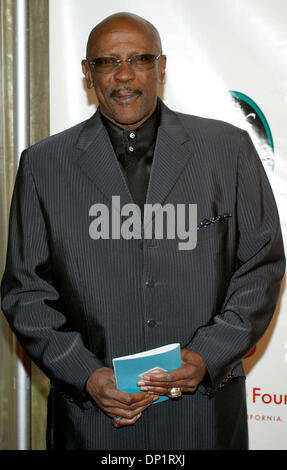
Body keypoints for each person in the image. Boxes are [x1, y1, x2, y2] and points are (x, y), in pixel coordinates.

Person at [1, 12, 285, 451]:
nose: (124, 74)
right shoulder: (44, 166)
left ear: (162, 66)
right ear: (86, 72)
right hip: (92, 421)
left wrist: (208, 354)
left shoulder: (227, 150)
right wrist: (85, 373)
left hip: (203, 416)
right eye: (107, 62)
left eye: (140, 59)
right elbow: (25, 293)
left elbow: (262, 264)